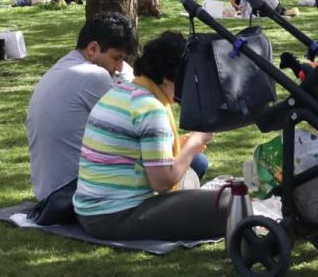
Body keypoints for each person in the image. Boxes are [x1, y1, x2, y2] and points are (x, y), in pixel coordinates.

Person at [73, 31, 229, 241]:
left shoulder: (122, 92)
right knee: (229, 201)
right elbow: (162, 183)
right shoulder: (151, 108)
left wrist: (185, 144)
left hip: (91, 211)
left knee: (193, 173)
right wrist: (195, 141)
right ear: (167, 78)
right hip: (116, 215)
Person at [26, 13, 139, 202]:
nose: (119, 67)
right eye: (116, 58)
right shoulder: (94, 76)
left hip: (49, 194)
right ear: (93, 48)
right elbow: (134, 132)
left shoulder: (63, 67)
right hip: (75, 197)